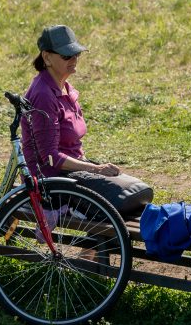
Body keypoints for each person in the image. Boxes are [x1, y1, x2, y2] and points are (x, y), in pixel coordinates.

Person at [21, 24, 151, 216]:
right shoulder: (43, 95)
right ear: (46, 57)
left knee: (141, 194)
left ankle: (92, 246)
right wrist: (96, 169)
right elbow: (51, 158)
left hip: (72, 171)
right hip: (52, 180)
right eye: (67, 55)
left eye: (76, 54)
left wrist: (93, 169)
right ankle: (90, 235)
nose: (74, 59)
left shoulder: (64, 87)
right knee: (127, 199)